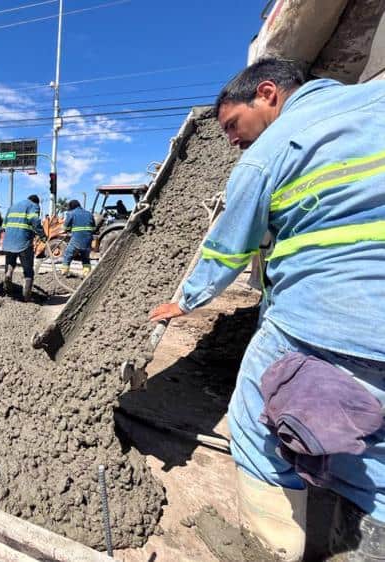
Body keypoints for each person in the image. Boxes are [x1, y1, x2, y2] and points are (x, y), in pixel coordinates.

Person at [149, 58, 385, 561]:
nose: (232, 140)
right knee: (377, 459)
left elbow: (229, 247)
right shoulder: (374, 102)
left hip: (327, 321)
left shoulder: (270, 152)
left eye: (234, 125)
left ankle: (271, 548)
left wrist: (186, 298)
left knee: (258, 421)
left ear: (270, 94)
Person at [2, 195, 45, 301]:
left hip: (9, 241)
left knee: (10, 263)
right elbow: (34, 220)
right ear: (36, 202)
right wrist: (42, 234)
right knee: (28, 270)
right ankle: (26, 296)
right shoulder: (33, 205)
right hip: (23, 242)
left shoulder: (13, 206)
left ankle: (9, 273)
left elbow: (4, 225)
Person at [60, 199, 95, 277]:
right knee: (85, 256)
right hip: (88, 239)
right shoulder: (89, 214)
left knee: (68, 254)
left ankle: (64, 272)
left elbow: (65, 227)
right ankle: (87, 273)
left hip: (77, 238)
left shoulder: (71, 213)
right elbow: (93, 228)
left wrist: (68, 230)